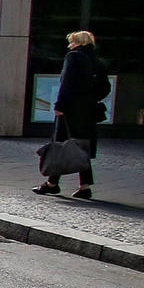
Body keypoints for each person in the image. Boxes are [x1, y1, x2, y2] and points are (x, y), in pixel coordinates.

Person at [35, 30, 107, 199]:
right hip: (87, 111)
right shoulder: (96, 60)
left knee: (61, 145)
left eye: (72, 41)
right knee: (81, 146)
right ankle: (84, 186)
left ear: (79, 42)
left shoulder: (74, 57)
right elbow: (105, 87)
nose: (70, 45)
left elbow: (67, 83)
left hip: (71, 109)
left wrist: (60, 105)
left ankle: (52, 184)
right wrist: (91, 99)